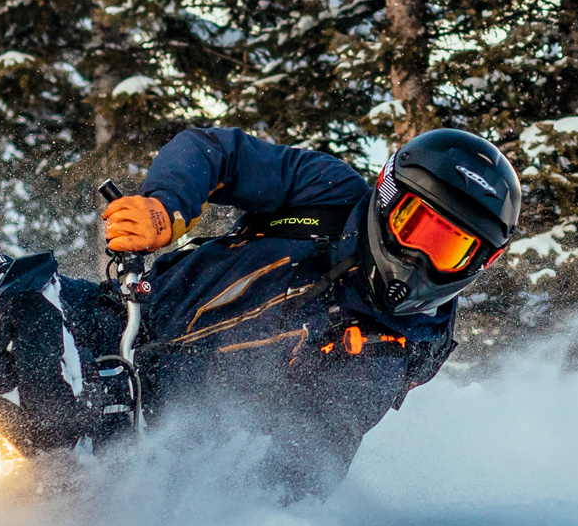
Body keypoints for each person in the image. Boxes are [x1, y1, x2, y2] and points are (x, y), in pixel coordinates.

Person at [91, 125, 522, 498]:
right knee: (26, 289)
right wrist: (167, 205)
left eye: (448, 248)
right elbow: (218, 152)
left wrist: (225, 505)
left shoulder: (392, 348)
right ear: (389, 197)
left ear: (477, 263)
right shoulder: (327, 192)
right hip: (120, 319)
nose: (419, 258)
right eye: (415, 227)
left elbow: (309, 459)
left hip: (165, 435)